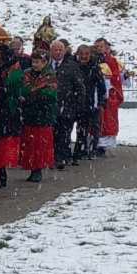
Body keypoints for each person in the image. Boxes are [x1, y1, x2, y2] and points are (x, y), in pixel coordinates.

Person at [0, 42, 25, 188]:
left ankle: (0, 172)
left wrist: (2, 90)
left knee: (1, 142)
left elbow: (15, 85)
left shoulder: (12, 66)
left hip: (6, 108)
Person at [20, 52, 58, 181]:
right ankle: (32, 167)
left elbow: (50, 94)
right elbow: (24, 90)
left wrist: (33, 94)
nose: (34, 65)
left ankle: (38, 169)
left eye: (38, 62)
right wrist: (35, 93)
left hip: (43, 115)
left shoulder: (50, 75)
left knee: (40, 144)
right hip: (30, 114)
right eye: (33, 62)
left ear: (45, 62)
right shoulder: (27, 74)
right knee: (30, 143)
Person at [52, 38, 85, 170]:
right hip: (51, 107)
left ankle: (62, 158)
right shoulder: (47, 65)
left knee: (64, 133)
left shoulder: (71, 66)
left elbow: (80, 87)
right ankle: (53, 157)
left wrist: (78, 106)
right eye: (56, 50)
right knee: (53, 133)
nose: (58, 52)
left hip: (67, 106)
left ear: (65, 51)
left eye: (61, 50)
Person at [74, 43, 107, 163]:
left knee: (93, 126)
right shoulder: (74, 66)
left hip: (91, 101)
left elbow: (101, 86)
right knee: (80, 128)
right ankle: (80, 149)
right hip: (77, 101)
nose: (84, 56)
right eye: (81, 54)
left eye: (86, 54)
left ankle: (92, 149)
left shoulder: (94, 67)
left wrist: (102, 101)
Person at [95, 37, 125, 155]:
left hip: (110, 94)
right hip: (96, 94)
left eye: (101, 46)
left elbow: (117, 77)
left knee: (107, 119)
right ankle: (94, 142)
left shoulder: (112, 61)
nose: (99, 49)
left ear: (107, 47)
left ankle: (102, 145)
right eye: (96, 47)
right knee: (96, 119)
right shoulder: (93, 59)